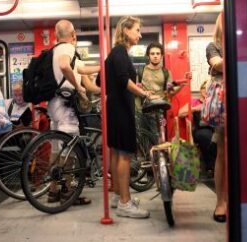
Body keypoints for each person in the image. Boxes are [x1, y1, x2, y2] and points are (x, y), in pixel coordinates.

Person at [105, 16, 159, 219]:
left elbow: (111, 80)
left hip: (116, 107)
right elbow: (123, 80)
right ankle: (125, 204)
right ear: (126, 30)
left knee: (119, 153)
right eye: (137, 30)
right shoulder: (119, 52)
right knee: (125, 155)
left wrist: (137, 88)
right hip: (120, 109)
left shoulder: (117, 53)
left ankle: (119, 196)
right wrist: (143, 93)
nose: (140, 34)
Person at [47, 20, 100, 205]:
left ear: (55, 35)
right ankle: (68, 191)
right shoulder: (67, 48)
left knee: (56, 149)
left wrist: (102, 66)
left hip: (54, 104)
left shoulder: (55, 50)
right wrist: (78, 87)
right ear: (73, 35)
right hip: (66, 106)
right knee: (69, 150)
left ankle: (53, 191)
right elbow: (65, 66)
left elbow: (81, 68)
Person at [203, 13, 226, 223]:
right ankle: (221, 202)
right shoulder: (214, 45)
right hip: (224, 106)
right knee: (223, 152)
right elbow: (217, 63)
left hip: (246, 101)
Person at [192, 81, 215, 178]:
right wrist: (194, 108)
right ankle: (210, 166)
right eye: (204, 88)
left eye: (208, 89)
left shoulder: (214, 101)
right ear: (201, 90)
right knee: (206, 136)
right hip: (201, 129)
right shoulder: (194, 101)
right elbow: (182, 112)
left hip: (214, 128)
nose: (206, 91)